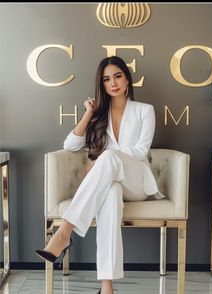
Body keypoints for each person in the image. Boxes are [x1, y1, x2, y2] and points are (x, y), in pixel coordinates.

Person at [36, 56, 161, 294]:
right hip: (111, 183)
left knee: (109, 157)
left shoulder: (145, 110)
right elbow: (70, 144)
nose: (112, 83)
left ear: (127, 79)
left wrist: (101, 158)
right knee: (111, 195)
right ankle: (107, 287)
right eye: (106, 79)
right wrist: (88, 113)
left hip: (136, 183)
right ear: (101, 84)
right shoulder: (98, 115)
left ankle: (64, 232)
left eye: (118, 76)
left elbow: (140, 151)